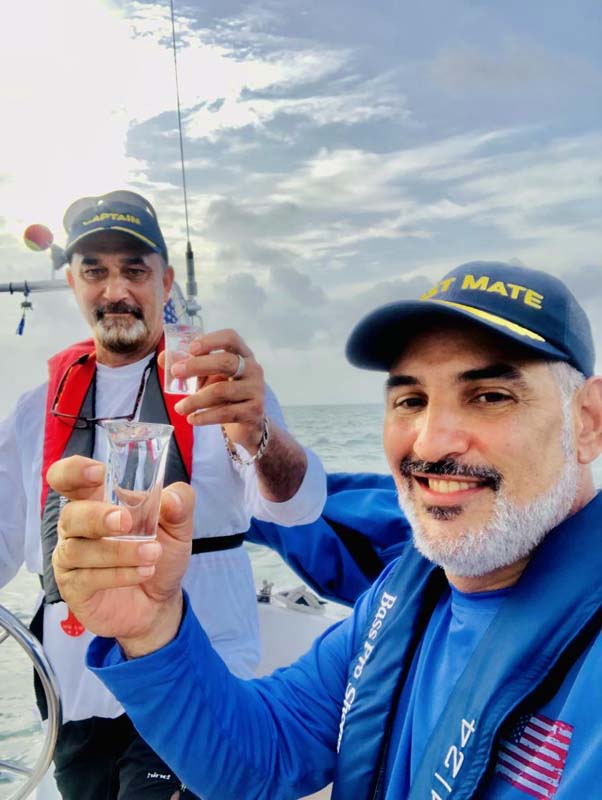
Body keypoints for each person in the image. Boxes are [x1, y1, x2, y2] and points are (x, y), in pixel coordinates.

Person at [51, 261, 602, 799]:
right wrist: (151, 627)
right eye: (411, 400)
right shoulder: (401, 598)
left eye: (489, 397)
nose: (431, 443)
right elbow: (260, 757)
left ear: (587, 422)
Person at [0, 189, 327, 799]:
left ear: (165, 279)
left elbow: (299, 505)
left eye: (134, 269)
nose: (115, 289)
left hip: (196, 674)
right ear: (73, 281)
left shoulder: (217, 383)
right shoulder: (31, 412)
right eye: (94, 270)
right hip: (74, 689)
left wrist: (257, 431)